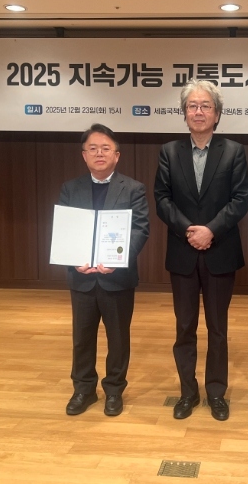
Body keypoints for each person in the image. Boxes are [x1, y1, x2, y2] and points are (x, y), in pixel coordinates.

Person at [154, 79, 248, 421]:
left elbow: (241, 199)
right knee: (184, 328)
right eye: (192, 106)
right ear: (184, 113)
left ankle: (217, 393)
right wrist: (188, 230)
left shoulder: (234, 151)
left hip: (220, 250)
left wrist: (211, 230)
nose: (198, 111)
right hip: (182, 253)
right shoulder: (169, 151)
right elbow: (162, 199)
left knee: (218, 329)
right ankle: (187, 392)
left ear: (217, 114)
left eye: (205, 106)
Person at [58, 123, 149, 417]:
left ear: (116, 155)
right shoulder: (70, 188)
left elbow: (140, 229)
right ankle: (83, 390)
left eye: (105, 148)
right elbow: (65, 230)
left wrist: (117, 260)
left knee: (118, 338)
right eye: (93, 149)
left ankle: (114, 390)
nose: (99, 153)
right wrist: (73, 258)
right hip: (82, 276)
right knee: (82, 338)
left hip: (117, 277)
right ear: (84, 155)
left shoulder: (133, 188)